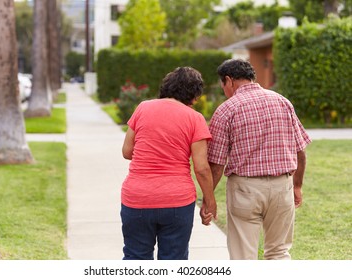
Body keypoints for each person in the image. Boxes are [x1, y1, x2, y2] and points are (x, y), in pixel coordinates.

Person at [204, 59, 311, 260]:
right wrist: (297, 186)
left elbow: (216, 164)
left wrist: (208, 200)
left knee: (243, 257)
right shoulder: (282, 101)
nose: (224, 90)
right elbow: (300, 151)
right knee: (279, 252)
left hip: (245, 190)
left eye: (223, 86)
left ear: (229, 80)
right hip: (282, 187)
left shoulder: (226, 110)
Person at [121, 66, 217, 260]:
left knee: (135, 258)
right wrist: (210, 201)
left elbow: (127, 151)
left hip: (137, 197)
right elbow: (201, 168)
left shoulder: (143, 108)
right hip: (177, 201)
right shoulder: (195, 118)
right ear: (193, 95)